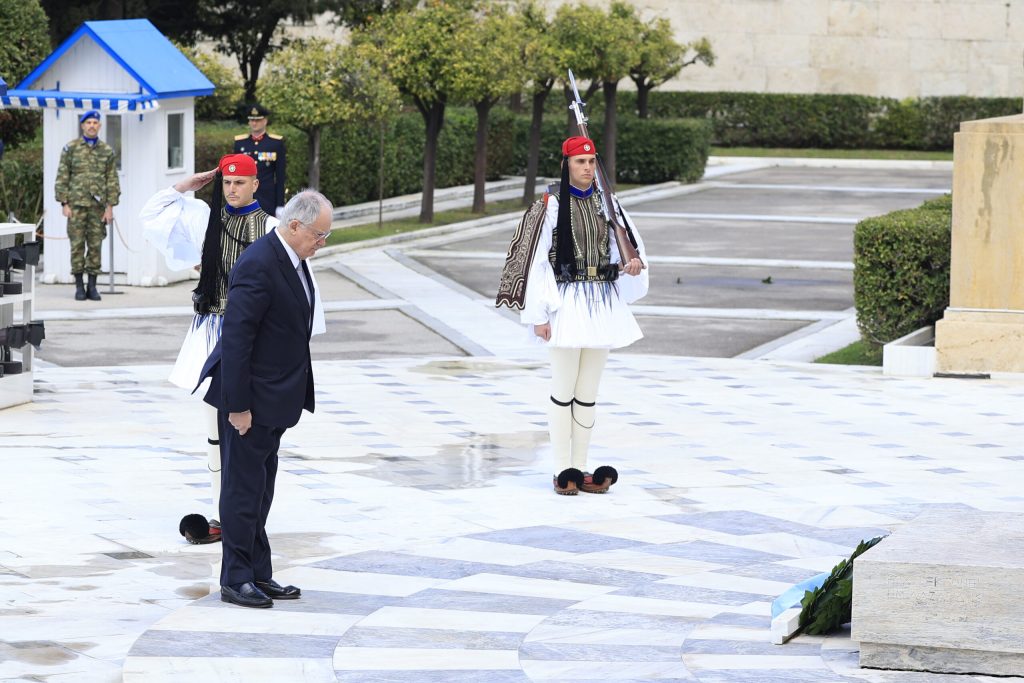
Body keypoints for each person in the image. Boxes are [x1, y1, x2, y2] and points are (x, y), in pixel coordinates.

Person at [140, 154, 325, 541]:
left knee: (244, 434)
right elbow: (151, 215)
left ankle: (239, 518)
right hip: (214, 332)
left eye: (239, 182)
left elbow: (303, 294)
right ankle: (223, 514)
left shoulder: (276, 228)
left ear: (256, 184)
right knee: (214, 430)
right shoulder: (205, 219)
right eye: (226, 182)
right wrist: (185, 187)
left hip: (256, 338)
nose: (231, 189)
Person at [197, 189, 332, 608]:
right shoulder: (259, 262)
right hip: (248, 402)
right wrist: (238, 406)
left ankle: (258, 571)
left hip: (273, 400)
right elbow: (235, 341)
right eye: (318, 235)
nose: (320, 243)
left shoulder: (293, 259)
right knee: (241, 491)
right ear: (295, 225)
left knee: (261, 489)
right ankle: (235, 579)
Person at [496, 136, 648, 495]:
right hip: (566, 303)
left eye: (592, 162)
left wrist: (633, 263)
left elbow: (624, 246)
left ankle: (580, 467)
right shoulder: (549, 206)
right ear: (566, 165)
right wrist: (539, 314)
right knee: (563, 390)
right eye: (580, 162)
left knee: (588, 392)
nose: (587, 168)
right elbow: (534, 262)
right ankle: (561, 468)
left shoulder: (607, 204)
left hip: (602, 302)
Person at [55, 110, 120, 301]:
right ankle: (79, 286)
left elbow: (112, 180)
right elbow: (62, 176)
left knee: (95, 245)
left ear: (99, 126)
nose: (92, 125)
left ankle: (92, 286)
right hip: (76, 206)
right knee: (76, 246)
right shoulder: (71, 148)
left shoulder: (106, 151)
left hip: (97, 208)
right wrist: (64, 203)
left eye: (95, 122)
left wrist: (110, 207)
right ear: (82, 126)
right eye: (88, 122)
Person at [234, 104, 286, 216]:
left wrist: (280, 204)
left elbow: (280, 176)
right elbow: (236, 175)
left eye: (258, 120)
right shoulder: (240, 143)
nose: (254, 123)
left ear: (265, 121)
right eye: (251, 120)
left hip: (268, 199)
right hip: (245, 197)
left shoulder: (275, 143)